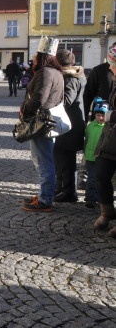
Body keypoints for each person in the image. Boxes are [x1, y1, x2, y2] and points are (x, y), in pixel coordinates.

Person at [22, 37, 64, 212]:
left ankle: (45, 199)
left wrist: (25, 110)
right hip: (46, 121)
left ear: (43, 56)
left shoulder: (46, 72)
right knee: (43, 160)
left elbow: (39, 98)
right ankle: (44, 194)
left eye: (37, 54)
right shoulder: (55, 72)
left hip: (41, 122)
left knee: (43, 161)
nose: (33, 57)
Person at [53, 49, 85, 203]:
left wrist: (52, 96)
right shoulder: (70, 75)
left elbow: (67, 100)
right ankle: (61, 188)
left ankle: (68, 192)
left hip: (70, 124)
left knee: (66, 159)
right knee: (62, 158)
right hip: (69, 123)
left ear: (59, 62)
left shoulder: (71, 78)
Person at [93, 45, 116, 237]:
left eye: (113, 64)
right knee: (100, 175)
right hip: (109, 139)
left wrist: (111, 115)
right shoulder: (114, 81)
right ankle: (107, 211)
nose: (110, 67)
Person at [84, 99, 107, 209]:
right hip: (90, 157)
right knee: (91, 178)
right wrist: (85, 154)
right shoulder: (91, 126)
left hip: (102, 158)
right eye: (98, 115)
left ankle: (101, 198)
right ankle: (90, 198)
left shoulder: (107, 128)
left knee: (101, 178)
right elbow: (86, 140)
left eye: (103, 115)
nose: (100, 118)